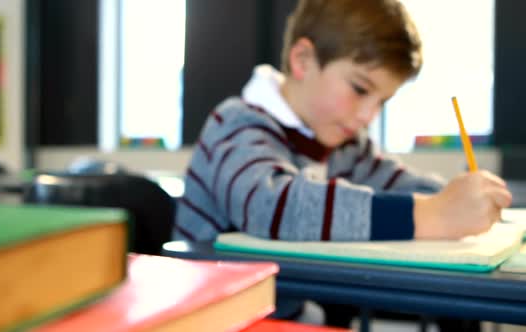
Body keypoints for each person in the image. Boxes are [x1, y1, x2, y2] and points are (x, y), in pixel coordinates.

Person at [173, 0, 512, 330]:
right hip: (210, 319)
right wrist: (431, 215)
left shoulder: (345, 144)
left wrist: (463, 199)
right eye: (359, 89)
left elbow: (399, 183)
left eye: (381, 102)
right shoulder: (236, 124)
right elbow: (271, 204)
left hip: (295, 315)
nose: (368, 116)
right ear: (303, 60)